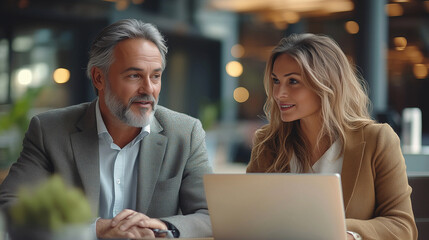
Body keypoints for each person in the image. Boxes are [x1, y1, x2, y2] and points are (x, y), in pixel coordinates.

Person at [0, 19, 213, 239]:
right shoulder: (50, 131)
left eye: (155, 76)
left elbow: (211, 214)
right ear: (99, 78)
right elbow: (10, 207)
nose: (149, 89)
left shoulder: (185, 133)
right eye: (134, 75)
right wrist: (97, 229)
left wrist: (160, 227)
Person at [246, 33, 418, 240]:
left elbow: (402, 227)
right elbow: (250, 220)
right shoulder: (268, 142)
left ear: (326, 84)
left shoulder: (377, 140)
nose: (279, 93)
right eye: (276, 81)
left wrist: (340, 231)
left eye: (293, 81)